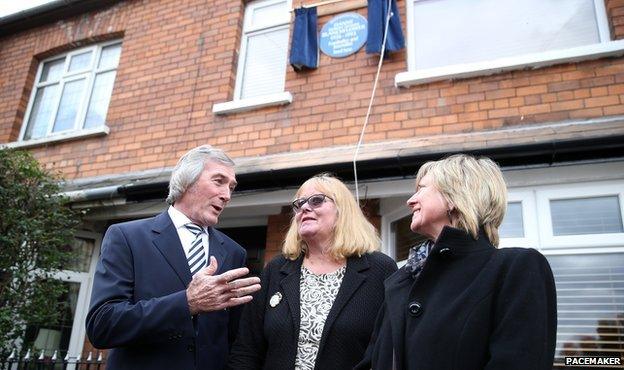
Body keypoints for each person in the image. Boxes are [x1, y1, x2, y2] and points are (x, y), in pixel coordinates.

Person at [356, 154, 557, 370]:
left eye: (422, 189)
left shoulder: (516, 268)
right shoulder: (401, 281)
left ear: (454, 196)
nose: (410, 201)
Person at [86, 145, 261, 370]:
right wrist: (187, 303)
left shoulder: (234, 252)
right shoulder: (127, 237)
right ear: (187, 181)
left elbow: (235, 340)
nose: (227, 195)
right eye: (218, 181)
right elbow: (102, 325)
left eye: (231, 187)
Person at [227, 174, 397, 370]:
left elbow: (390, 350)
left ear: (343, 211)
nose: (304, 208)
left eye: (317, 200)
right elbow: (246, 350)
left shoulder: (380, 270)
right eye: (299, 204)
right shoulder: (276, 269)